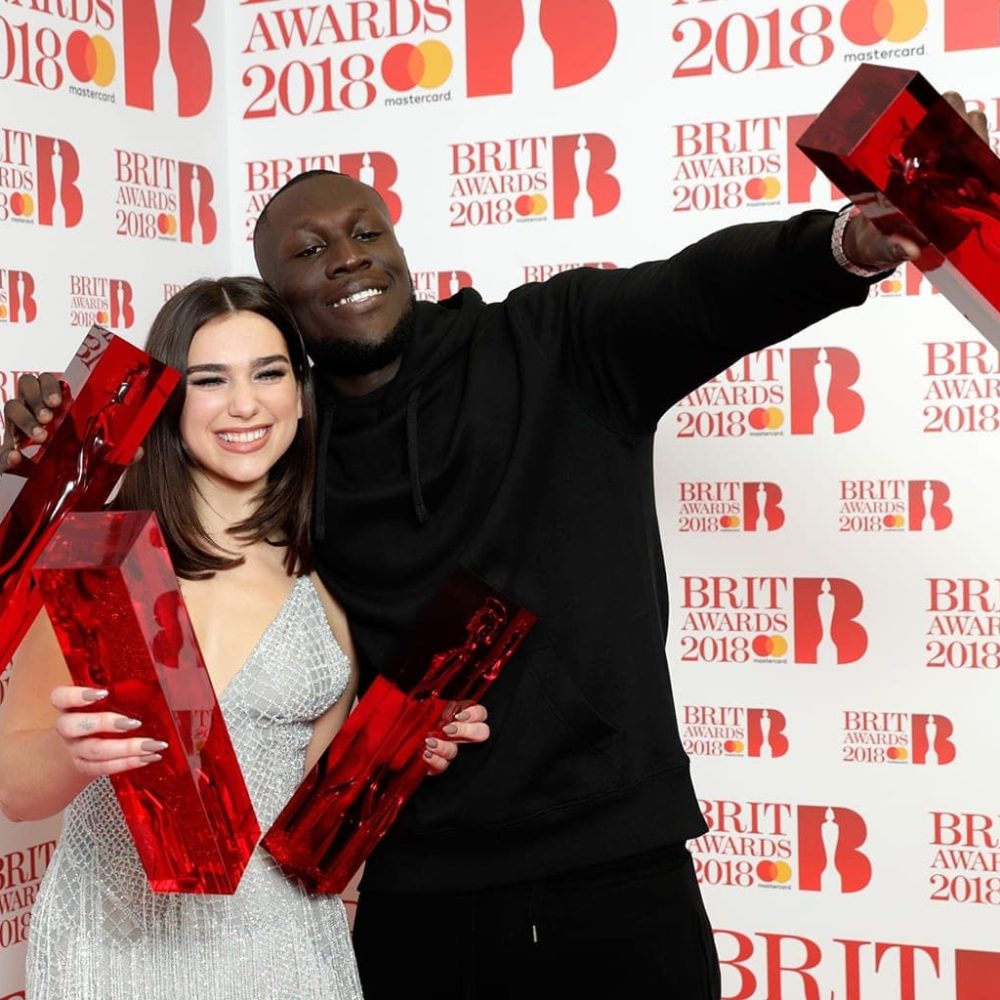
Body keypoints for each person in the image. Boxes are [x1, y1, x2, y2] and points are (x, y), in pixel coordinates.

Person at [3, 98, 990, 999]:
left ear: (400, 248)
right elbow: (139, 507)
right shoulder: (284, 458)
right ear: (278, 295)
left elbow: (702, 294)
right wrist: (52, 434)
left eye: (364, 232)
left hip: (613, 867)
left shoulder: (555, 341)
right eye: (308, 249)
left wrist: (849, 244)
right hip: (416, 893)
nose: (345, 256)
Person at [0, 277, 488, 1000]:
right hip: (116, 952)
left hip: (287, 948)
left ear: (300, 389)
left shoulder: (334, 577)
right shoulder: (98, 557)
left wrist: (404, 750)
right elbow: (15, 792)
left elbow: (316, 829)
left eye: (269, 372)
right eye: (210, 380)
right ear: (169, 396)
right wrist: (77, 754)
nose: (245, 405)